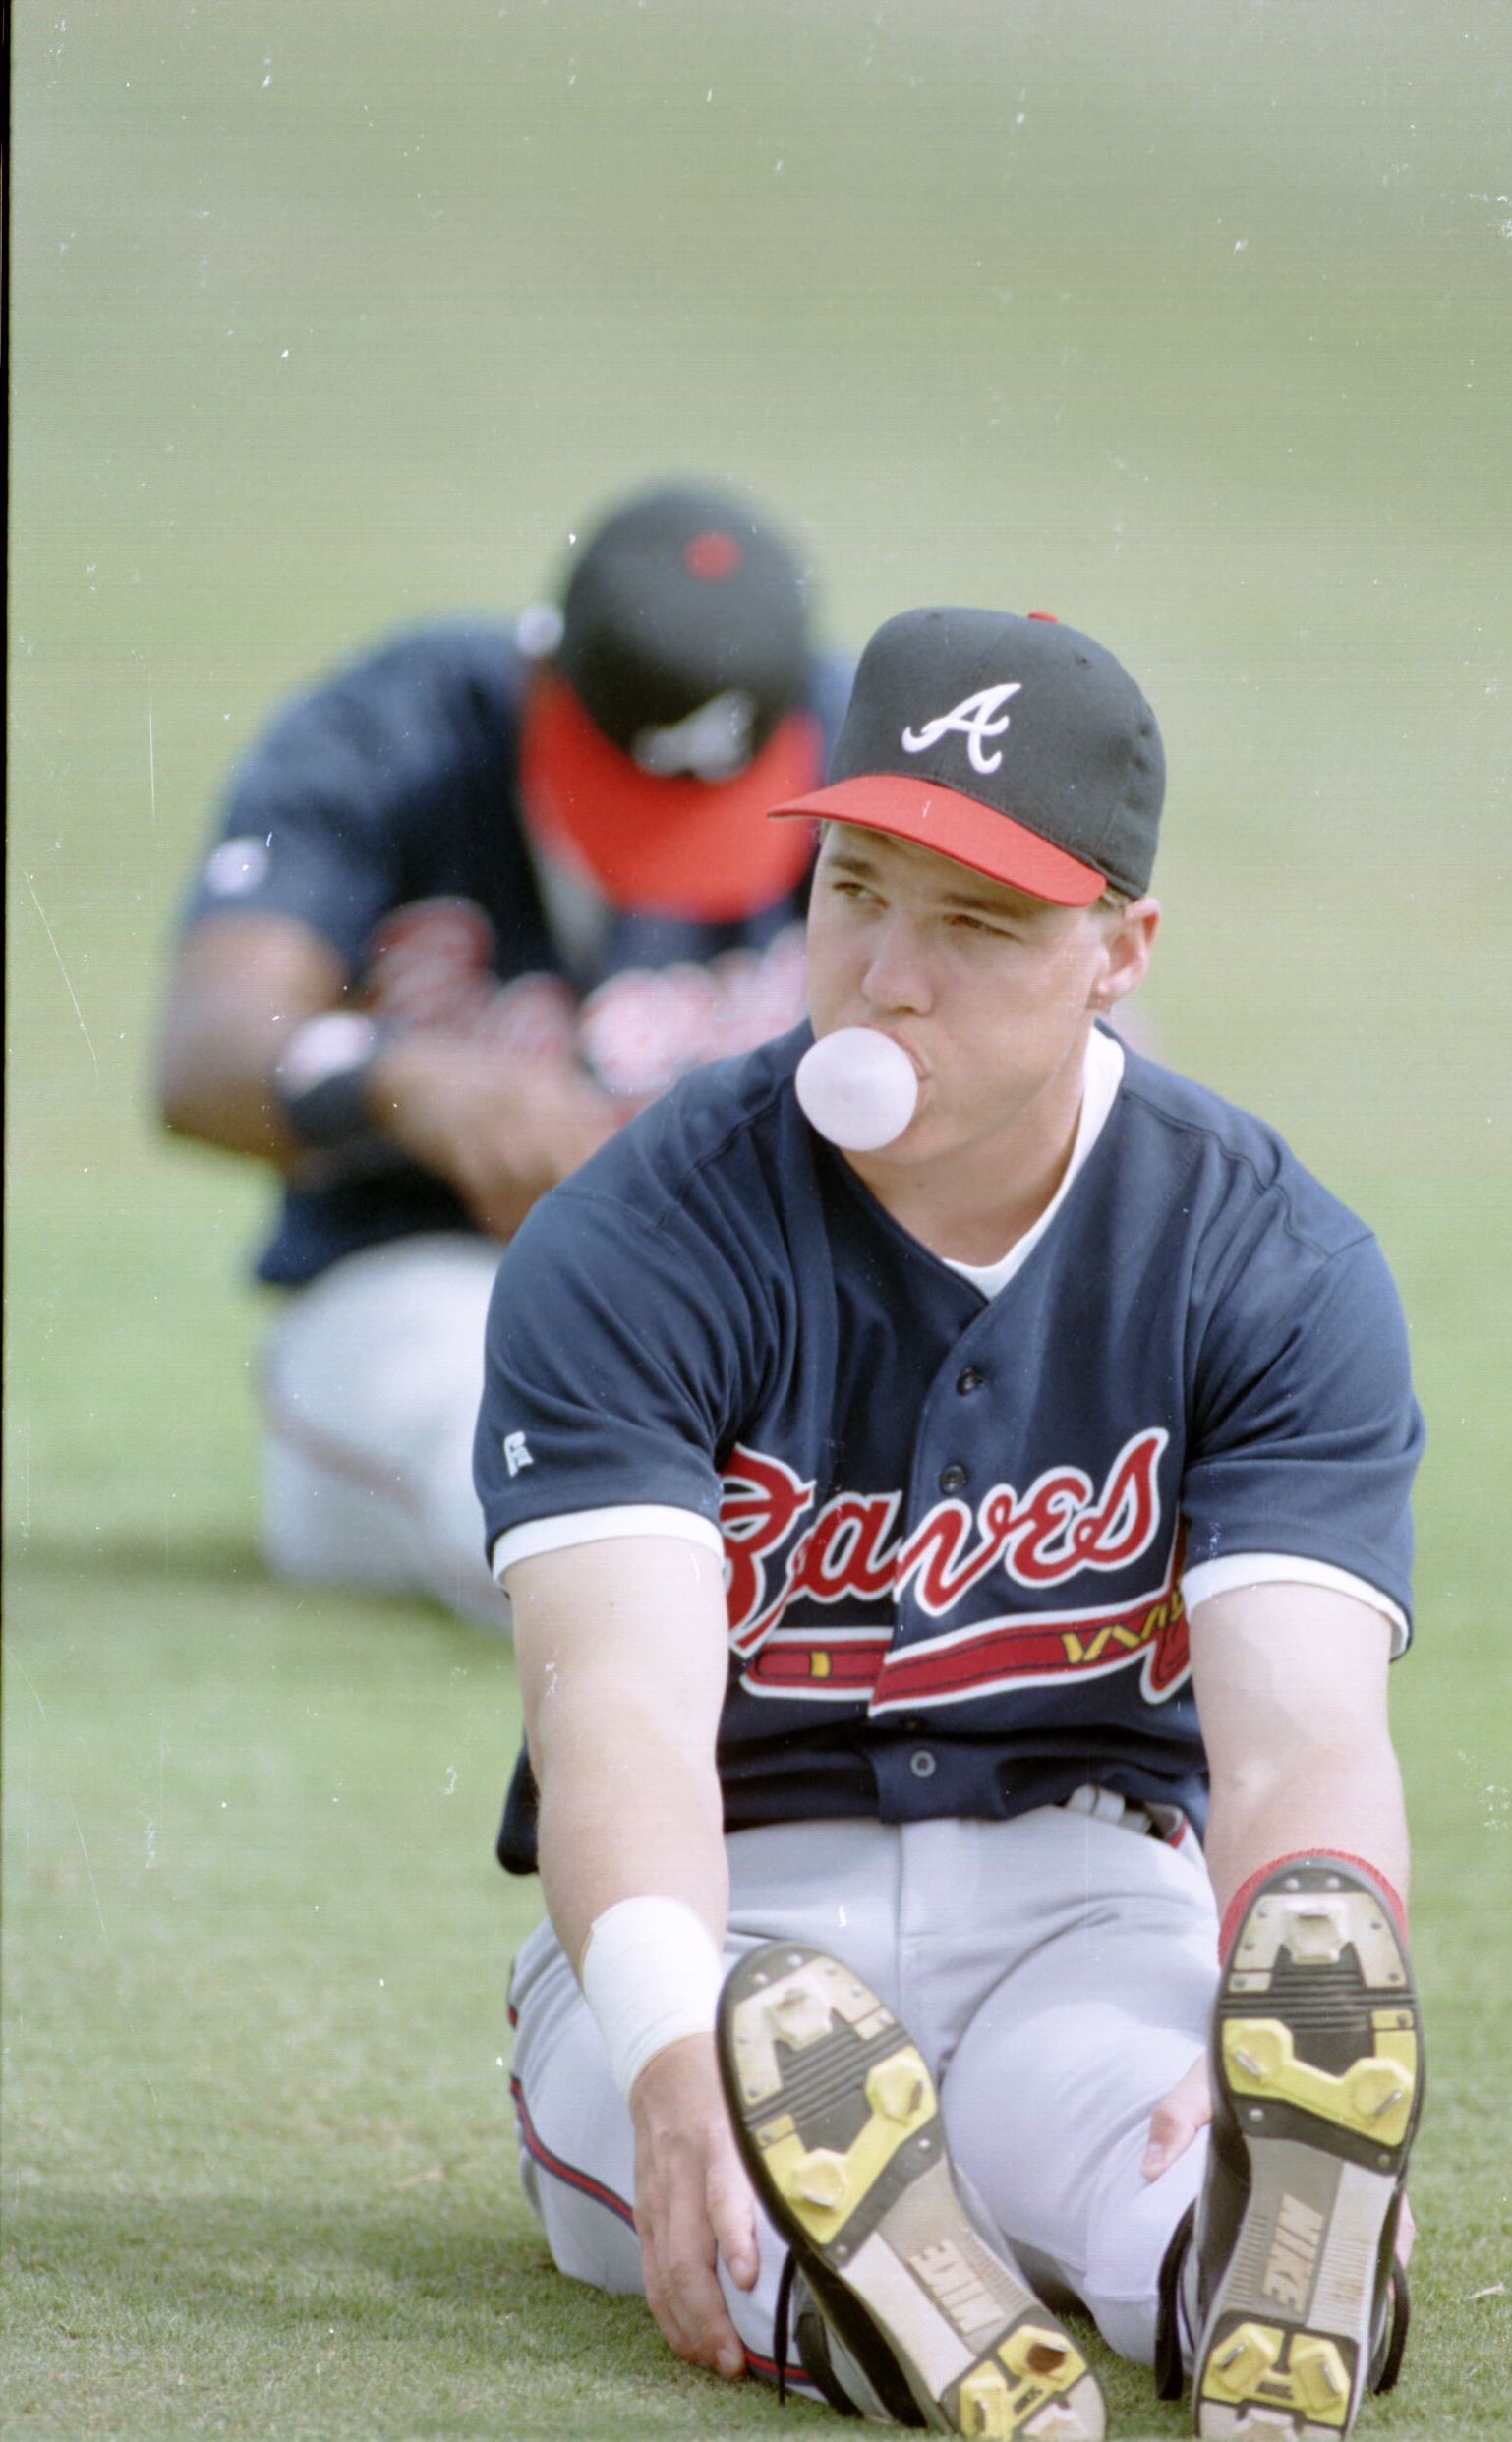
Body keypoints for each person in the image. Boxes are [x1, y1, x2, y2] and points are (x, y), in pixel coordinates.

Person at [477, 605, 1425, 2438]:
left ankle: (1222, 2243)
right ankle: (972, 2278)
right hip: (725, 1915)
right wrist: (676, 2051)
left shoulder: (1263, 1258)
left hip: (1083, 1884)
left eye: (977, 921)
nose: (886, 975)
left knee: (1130, 2114)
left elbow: (1302, 1734)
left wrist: (1263, 2008)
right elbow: (620, 1722)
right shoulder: (642, 1230)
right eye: (853, 888)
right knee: (738, 2134)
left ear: (1121, 950)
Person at [157, 480, 849, 1626]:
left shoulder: (864, 739)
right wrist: (396, 1075)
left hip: (753, 1312)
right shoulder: (400, 729)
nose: (656, 854)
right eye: (626, 793)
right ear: (541, 680)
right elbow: (207, 1050)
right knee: (541, 1481)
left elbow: (1086, 1050)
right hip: (427, 1289)